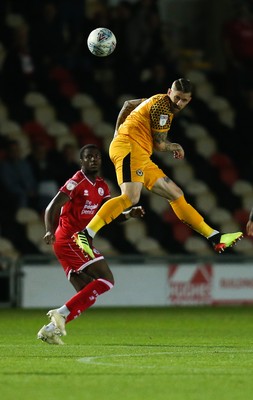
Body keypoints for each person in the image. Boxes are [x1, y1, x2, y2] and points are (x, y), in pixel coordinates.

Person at [72, 78, 243, 258]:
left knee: (175, 193)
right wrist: (176, 146)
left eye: (183, 100)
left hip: (139, 152)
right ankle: (86, 234)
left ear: (189, 100)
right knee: (131, 197)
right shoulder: (163, 109)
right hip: (130, 147)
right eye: (176, 97)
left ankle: (216, 237)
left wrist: (117, 132)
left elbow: (128, 104)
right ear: (169, 92)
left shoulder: (155, 99)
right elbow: (160, 145)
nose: (179, 103)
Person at [37, 144, 144, 344]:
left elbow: (109, 213)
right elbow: (51, 207)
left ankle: (50, 330)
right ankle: (59, 314)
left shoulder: (102, 186)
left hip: (77, 242)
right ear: (82, 161)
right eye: (89, 157)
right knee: (107, 279)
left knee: (87, 293)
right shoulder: (75, 182)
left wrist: (129, 214)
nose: (94, 160)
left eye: (97, 157)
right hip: (69, 239)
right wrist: (49, 230)